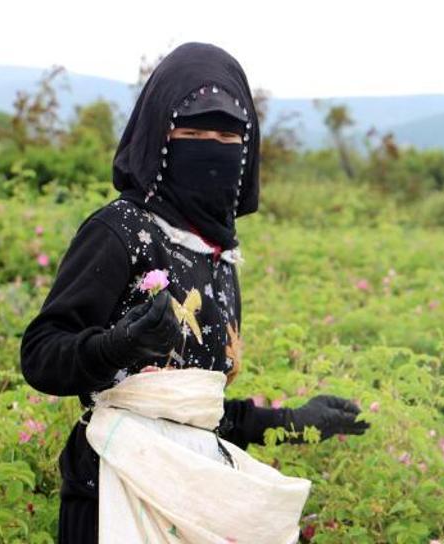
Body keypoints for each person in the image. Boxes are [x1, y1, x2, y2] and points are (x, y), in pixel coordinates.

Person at [19, 42, 369, 543]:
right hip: (114, 490)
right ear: (160, 137)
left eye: (229, 135)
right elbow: (40, 356)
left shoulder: (217, 256)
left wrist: (294, 421)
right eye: (194, 131)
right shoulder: (121, 231)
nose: (212, 146)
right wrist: (117, 345)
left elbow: (194, 410)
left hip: (195, 492)